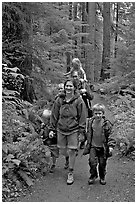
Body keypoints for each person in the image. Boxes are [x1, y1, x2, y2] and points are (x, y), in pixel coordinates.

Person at [49, 79, 86, 184]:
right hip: (61, 128)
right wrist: (52, 129)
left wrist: (81, 131)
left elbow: (83, 116)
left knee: (72, 150)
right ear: (64, 87)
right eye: (67, 86)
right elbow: (54, 114)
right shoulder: (59, 100)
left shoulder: (79, 100)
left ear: (74, 87)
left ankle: (71, 172)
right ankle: (67, 158)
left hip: (73, 129)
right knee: (62, 150)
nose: (68, 88)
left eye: (70, 86)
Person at [83, 103, 116, 185]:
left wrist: (111, 145)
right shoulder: (90, 122)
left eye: (100, 113)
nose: (98, 115)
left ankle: (102, 176)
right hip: (93, 146)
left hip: (103, 147)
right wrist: (84, 139)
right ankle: (93, 175)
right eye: (96, 113)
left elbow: (111, 134)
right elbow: (88, 133)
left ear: (103, 114)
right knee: (92, 162)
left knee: (102, 163)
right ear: (93, 113)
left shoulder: (106, 123)